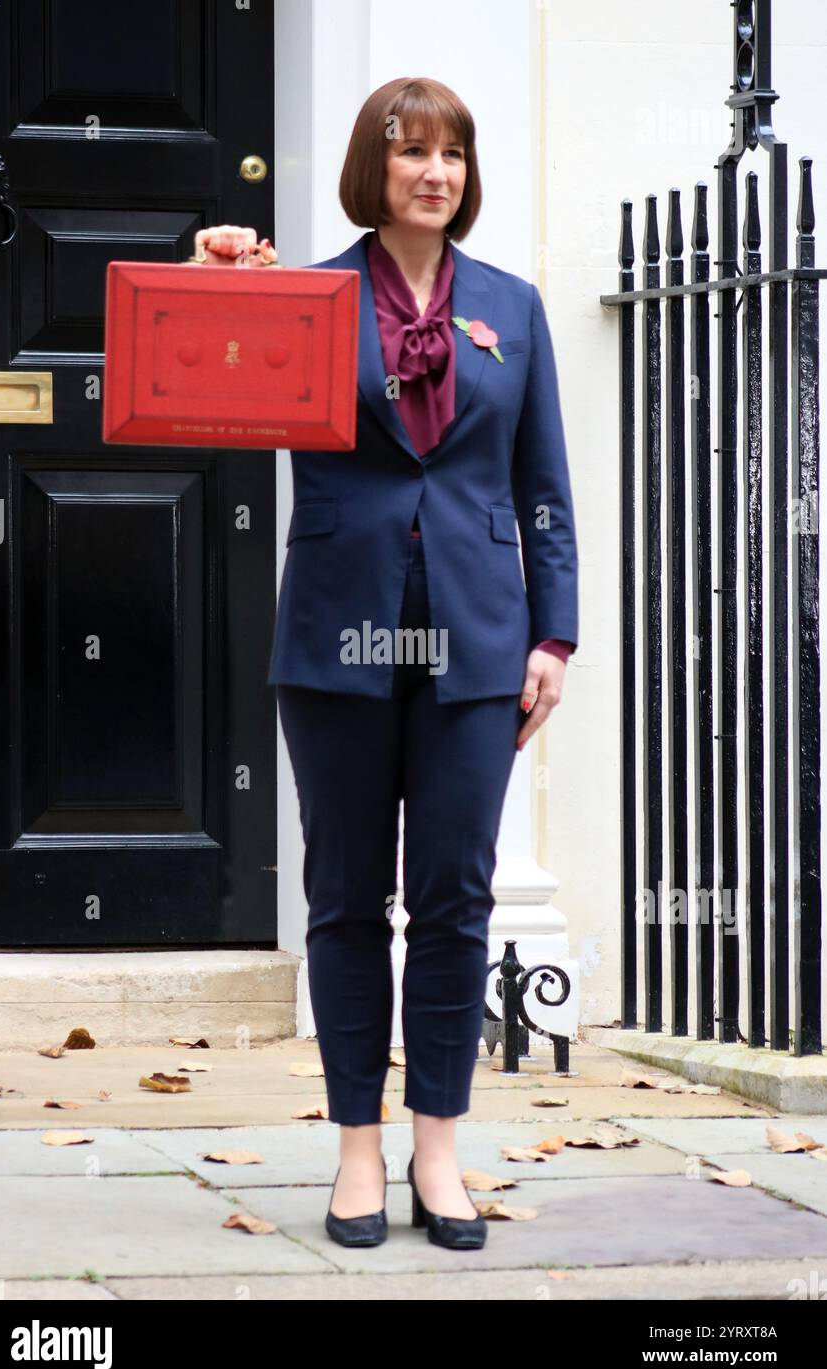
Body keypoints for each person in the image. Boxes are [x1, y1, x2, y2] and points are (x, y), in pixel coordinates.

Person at [188, 76, 578, 1251]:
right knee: (347, 897)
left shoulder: (509, 306)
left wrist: (551, 632)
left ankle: (436, 1150)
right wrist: (213, 278)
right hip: (339, 641)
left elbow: (541, 488)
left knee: (454, 901)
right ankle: (356, 1151)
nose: (434, 172)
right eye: (411, 151)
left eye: (452, 152)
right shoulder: (306, 298)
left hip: (474, 642)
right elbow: (198, 381)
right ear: (375, 165)